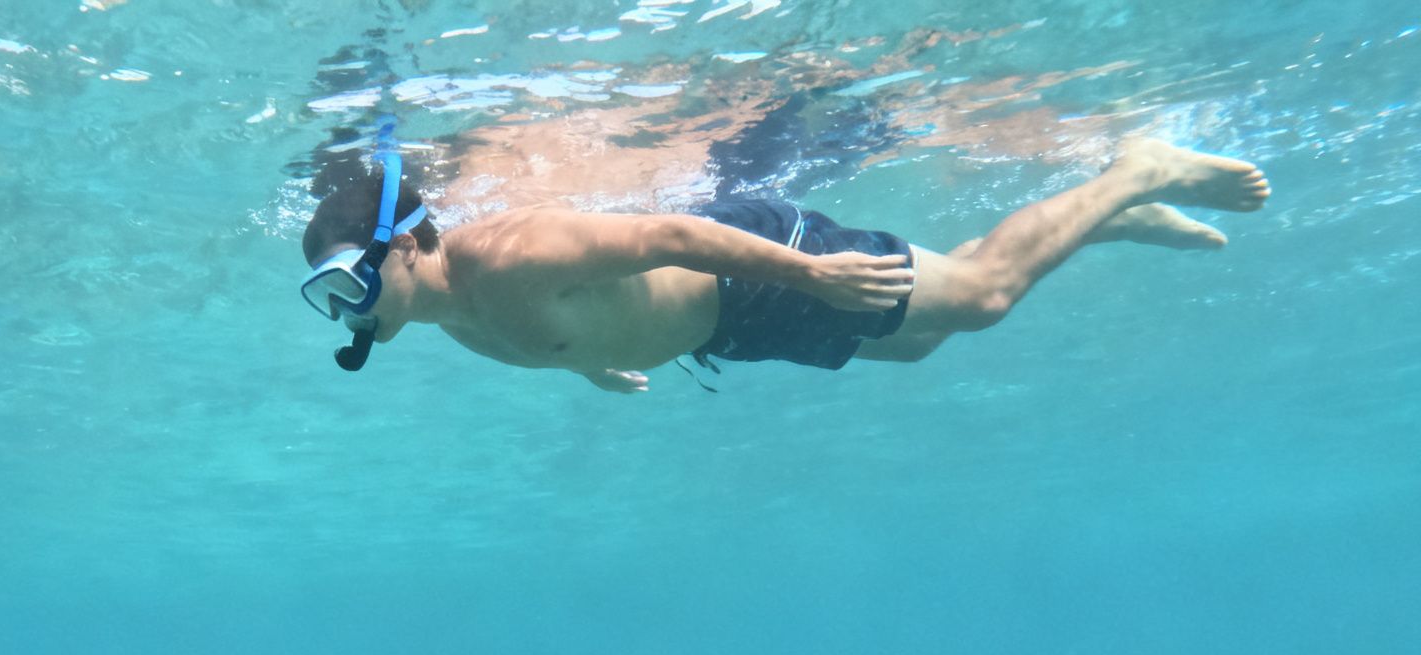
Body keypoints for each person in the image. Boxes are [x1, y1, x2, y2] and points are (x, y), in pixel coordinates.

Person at [298, 136, 1269, 390]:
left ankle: (1131, 171)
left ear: (409, 239)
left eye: (347, 279)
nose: (345, 310)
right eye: (325, 299)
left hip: (754, 268)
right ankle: (1108, 220)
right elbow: (563, 327)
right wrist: (593, 361)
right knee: (921, 345)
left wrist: (809, 275)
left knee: (979, 298)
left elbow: (669, 236)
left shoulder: (510, 251)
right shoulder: (450, 318)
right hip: (729, 329)